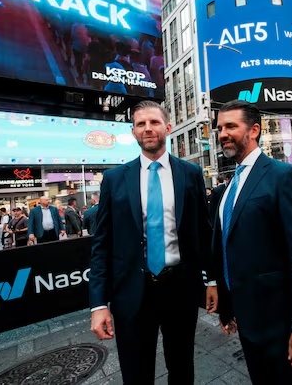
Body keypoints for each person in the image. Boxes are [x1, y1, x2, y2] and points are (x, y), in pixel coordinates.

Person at [89, 100, 217, 385]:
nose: (148, 128)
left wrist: (211, 281)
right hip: (132, 294)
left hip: (180, 289)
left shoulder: (191, 174)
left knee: (182, 367)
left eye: (154, 122)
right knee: (136, 372)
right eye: (141, 124)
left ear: (168, 128)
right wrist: (98, 304)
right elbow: (102, 245)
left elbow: (203, 233)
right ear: (133, 132)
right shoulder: (114, 179)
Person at [212, 100, 292, 384]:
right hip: (247, 319)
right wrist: (228, 306)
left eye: (231, 126)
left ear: (254, 130)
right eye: (220, 127)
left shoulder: (283, 176)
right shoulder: (225, 190)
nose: (223, 133)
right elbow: (227, 247)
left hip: (280, 324)